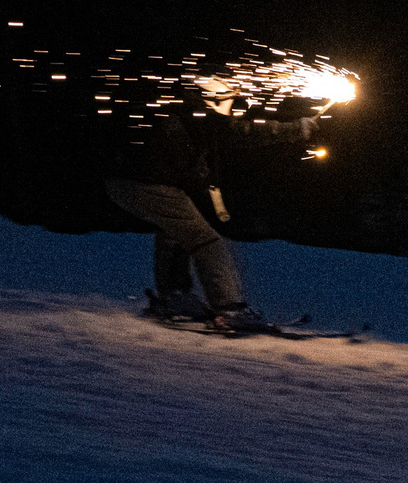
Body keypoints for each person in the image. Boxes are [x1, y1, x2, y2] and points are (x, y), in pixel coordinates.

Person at [100, 73, 322, 333]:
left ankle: (175, 297)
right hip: (146, 182)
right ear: (213, 98)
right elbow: (243, 131)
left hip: (125, 181)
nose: (231, 109)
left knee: (175, 232)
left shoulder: (186, 112)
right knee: (206, 241)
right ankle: (228, 308)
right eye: (229, 101)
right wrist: (297, 127)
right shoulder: (199, 113)